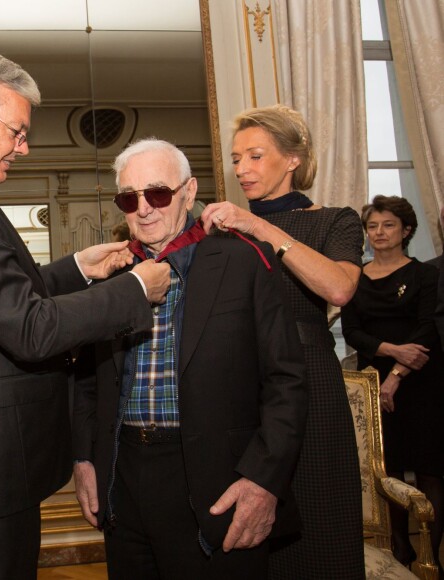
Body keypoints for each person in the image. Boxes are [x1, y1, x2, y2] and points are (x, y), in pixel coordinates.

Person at [0, 49, 171, 580]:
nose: (24, 146)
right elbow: (28, 328)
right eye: (16, 130)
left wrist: (77, 269)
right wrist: (135, 289)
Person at [73, 138, 308, 579]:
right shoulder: (111, 274)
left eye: (158, 193)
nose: (144, 208)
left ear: (188, 190)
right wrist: (84, 460)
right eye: (130, 197)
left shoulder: (242, 261)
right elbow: (87, 380)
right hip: (123, 479)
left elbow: (286, 380)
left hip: (218, 480)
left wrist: (263, 481)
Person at [200, 104, 365, 579]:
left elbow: (338, 288)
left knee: (320, 527)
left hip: (310, 386)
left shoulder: (335, 221)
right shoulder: (224, 233)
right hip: (240, 390)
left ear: (292, 159)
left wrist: (258, 226)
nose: (241, 169)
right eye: (236, 159)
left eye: (255, 156)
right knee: (245, 534)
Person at [341, 195, 444, 573]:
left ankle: (429, 559)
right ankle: (400, 553)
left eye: (388, 225)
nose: (379, 232)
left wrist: (398, 373)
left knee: (430, 469)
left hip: (422, 382)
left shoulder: (426, 275)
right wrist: (391, 351)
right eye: (373, 226)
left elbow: (428, 327)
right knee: (389, 469)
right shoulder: (354, 275)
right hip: (373, 384)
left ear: (406, 230)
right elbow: (352, 330)